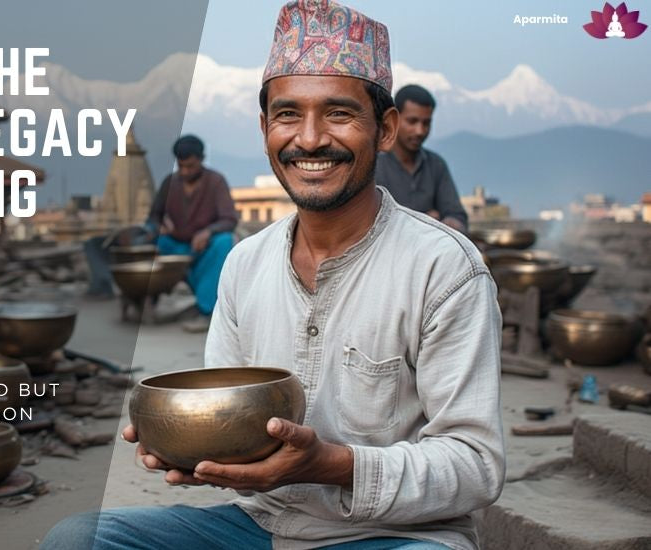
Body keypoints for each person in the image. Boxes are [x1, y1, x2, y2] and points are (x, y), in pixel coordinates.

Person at [42, 2, 504, 549]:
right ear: (265, 129)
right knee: (78, 539)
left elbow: (476, 466)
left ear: (384, 129)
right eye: (288, 115)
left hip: (394, 536)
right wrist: (195, 447)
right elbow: (231, 418)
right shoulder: (245, 264)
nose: (308, 139)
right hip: (262, 527)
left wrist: (332, 465)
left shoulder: (444, 267)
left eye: (338, 114)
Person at [146, 135, 238, 332]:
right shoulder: (169, 183)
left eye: (191, 166)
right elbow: (153, 217)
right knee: (151, 244)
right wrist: (159, 225)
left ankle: (206, 311)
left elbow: (229, 219)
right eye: (182, 167)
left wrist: (208, 231)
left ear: (202, 159)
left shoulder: (216, 181)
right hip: (175, 245)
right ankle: (148, 303)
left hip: (203, 247)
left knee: (224, 242)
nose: (186, 171)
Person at [375, 84, 468, 232]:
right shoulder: (374, 166)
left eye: (426, 123)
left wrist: (451, 223)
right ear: (394, 120)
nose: (420, 131)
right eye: (412, 121)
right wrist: (425, 221)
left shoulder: (436, 165)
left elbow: (457, 216)